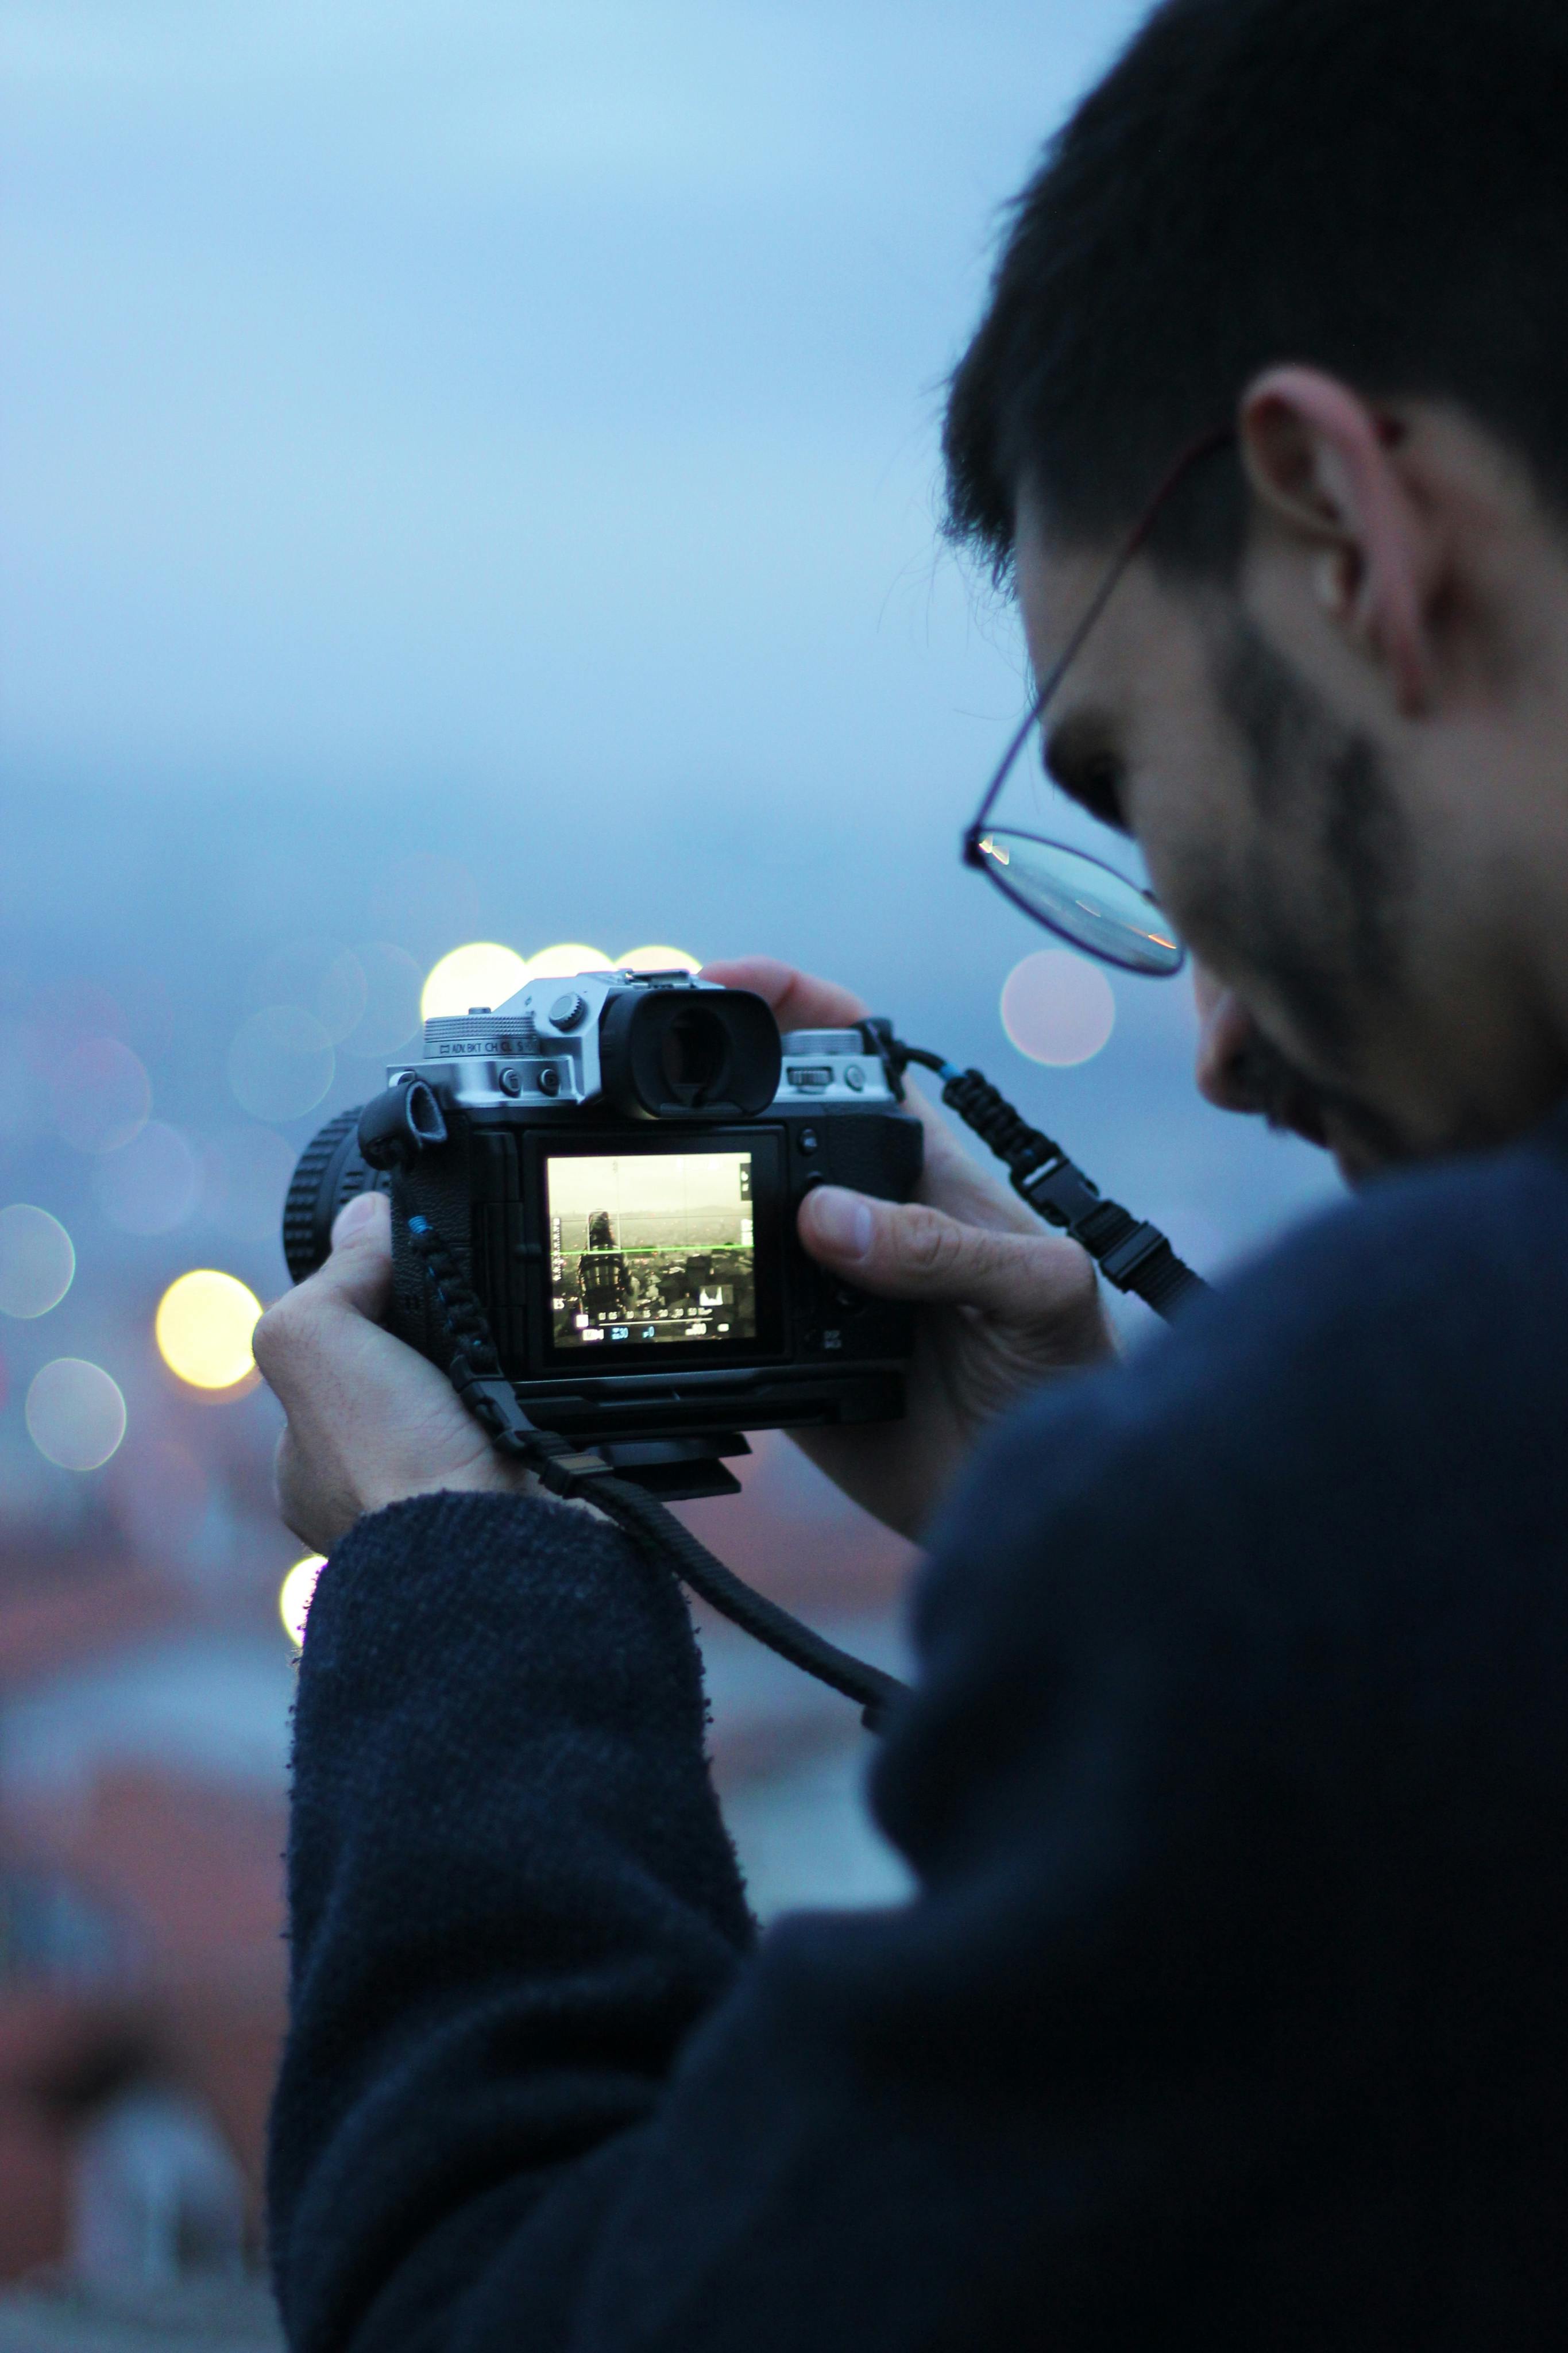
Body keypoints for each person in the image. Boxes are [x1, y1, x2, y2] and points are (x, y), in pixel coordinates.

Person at [254, 1, 1568, 2342]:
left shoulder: (1420, 1442)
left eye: (1146, 809)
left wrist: (459, 1600)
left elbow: (513, 2302)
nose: (1222, 1037)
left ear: (1339, 529)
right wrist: (1088, 1493)